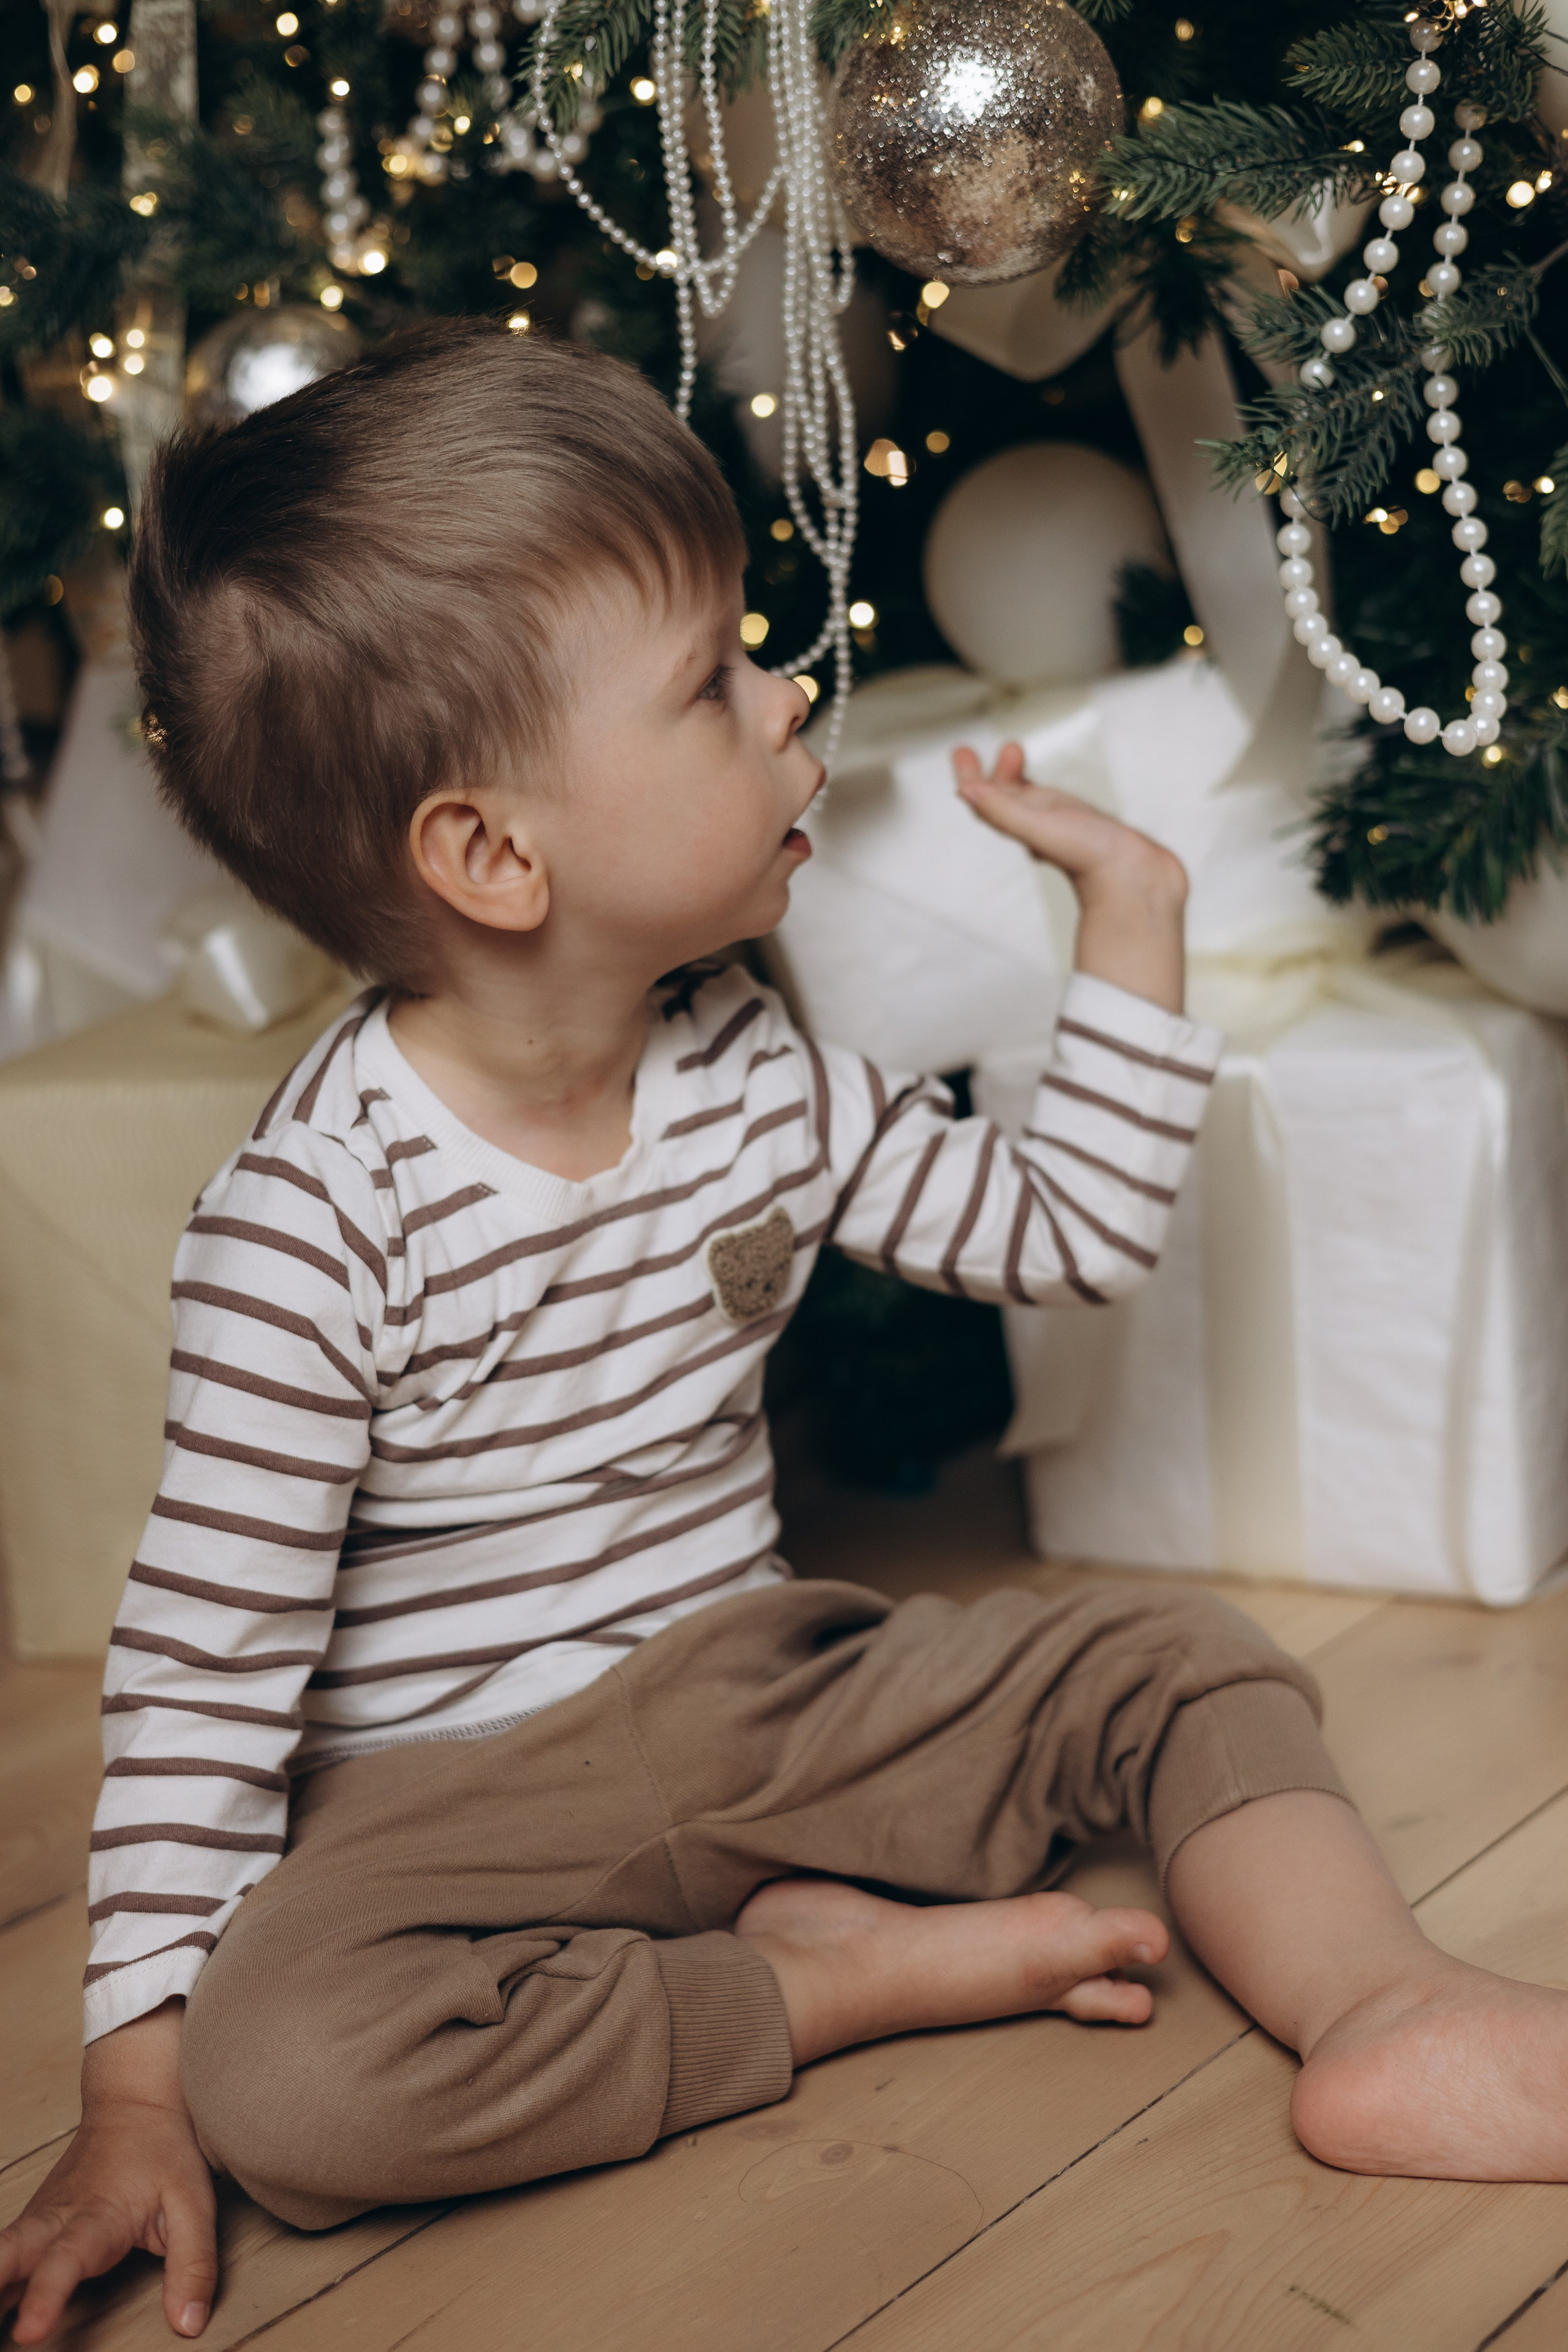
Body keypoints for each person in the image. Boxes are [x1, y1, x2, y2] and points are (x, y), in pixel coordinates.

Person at [6, 321, 1568, 2349]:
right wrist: (135, 2089)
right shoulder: (310, 1229)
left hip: (771, 1695)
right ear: (494, 855)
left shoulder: (754, 1064)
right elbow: (206, 1680)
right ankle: (827, 1977)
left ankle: (1382, 2004)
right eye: (711, 683)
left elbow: (1068, 1234)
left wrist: (1132, 933)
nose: (789, 691)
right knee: (288, 2081)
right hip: (444, 1805)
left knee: (1176, 1658)